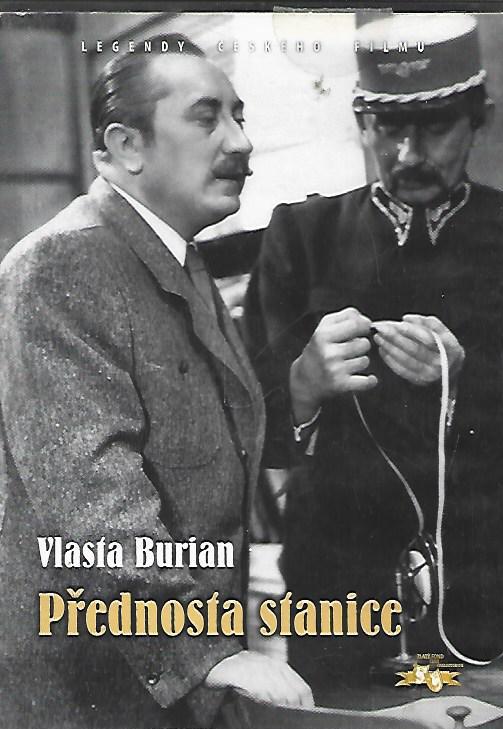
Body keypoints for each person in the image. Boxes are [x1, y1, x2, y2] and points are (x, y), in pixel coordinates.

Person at [0, 35, 313, 729]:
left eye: (239, 115)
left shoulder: (178, 261)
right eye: (206, 118)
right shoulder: (59, 266)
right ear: (126, 146)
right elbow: (92, 505)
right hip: (93, 702)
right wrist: (207, 655)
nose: (240, 142)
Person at [244, 13, 503, 696]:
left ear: (478, 119)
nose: (406, 153)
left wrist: (465, 382)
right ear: (362, 122)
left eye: (434, 128)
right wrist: (302, 385)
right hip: (336, 596)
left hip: (481, 591)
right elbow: (244, 428)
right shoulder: (300, 235)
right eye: (388, 129)